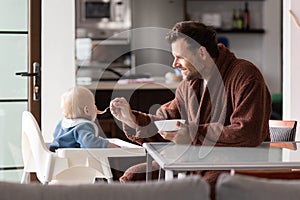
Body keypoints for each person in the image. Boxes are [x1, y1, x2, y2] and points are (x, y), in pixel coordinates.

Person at [110, 21, 271, 197]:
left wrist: (193, 135)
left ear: (202, 53)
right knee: (134, 176)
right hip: (194, 164)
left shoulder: (245, 76)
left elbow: (248, 131)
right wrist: (132, 119)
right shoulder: (188, 86)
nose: (174, 64)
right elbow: (168, 123)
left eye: (180, 57)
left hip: (235, 167)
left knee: (199, 189)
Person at [49, 86, 119, 152]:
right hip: (75, 161)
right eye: (94, 104)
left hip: (58, 158)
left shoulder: (62, 123)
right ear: (87, 110)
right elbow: (90, 143)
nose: (96, 108)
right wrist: (107, 144)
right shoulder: (83, 126)